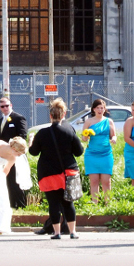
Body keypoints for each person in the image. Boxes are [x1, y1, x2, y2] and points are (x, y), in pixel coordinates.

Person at [28, 97, 84, 241]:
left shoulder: (42, 133)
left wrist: (30, 141)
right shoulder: (69, 131)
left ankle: (57, 233)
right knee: (68, 203)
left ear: (50, 115)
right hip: (67, 172)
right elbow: (78, 152)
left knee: (53, 203)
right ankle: (73, 232)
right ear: (64, 114)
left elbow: (33, 152)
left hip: (48, 173)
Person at [0, 96, 29, 208]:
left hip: (15, 155)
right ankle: (11, 204)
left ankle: (21, 205)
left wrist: (12, 146)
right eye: (2, 106)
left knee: (16, 180)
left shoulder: (18, 118)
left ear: (11, 105)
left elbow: (23, 136)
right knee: (7, 180)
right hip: (4, 156)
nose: (5, 108)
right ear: (0, 108)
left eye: (7, 105)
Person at [81, 99, 117, 202]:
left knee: (106, 181)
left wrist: (114, 139)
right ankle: (95, 205)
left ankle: (108, 204)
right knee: (94, 181)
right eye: (98, 108)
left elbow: (113, 135)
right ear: (94, 109)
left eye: (102, 108)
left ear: (104, 109)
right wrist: (86, 135)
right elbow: (84, 139)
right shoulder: (89, 121)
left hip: (106, 153)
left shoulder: (109, 121)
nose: (100, 110)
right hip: (92, 154)